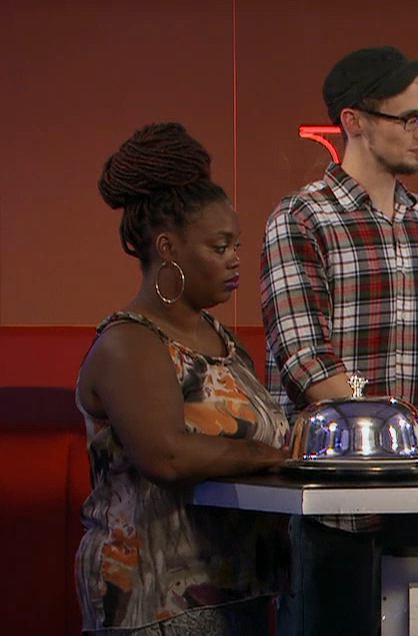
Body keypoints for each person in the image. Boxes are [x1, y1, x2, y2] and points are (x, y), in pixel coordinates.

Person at [261, 45, 418, 636]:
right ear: (353, 121)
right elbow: (306, 364)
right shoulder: (301, 219)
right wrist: (401, 452)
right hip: (334, 517)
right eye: (409, 119)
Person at [75, 122, 289, 635]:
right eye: (219, 247)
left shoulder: (224, 341)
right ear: (168, 247)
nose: (235, 259)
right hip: (155, 607)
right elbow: (166, 455)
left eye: (237, 244)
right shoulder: (130, 342)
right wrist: (271, 456)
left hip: (240, 593)